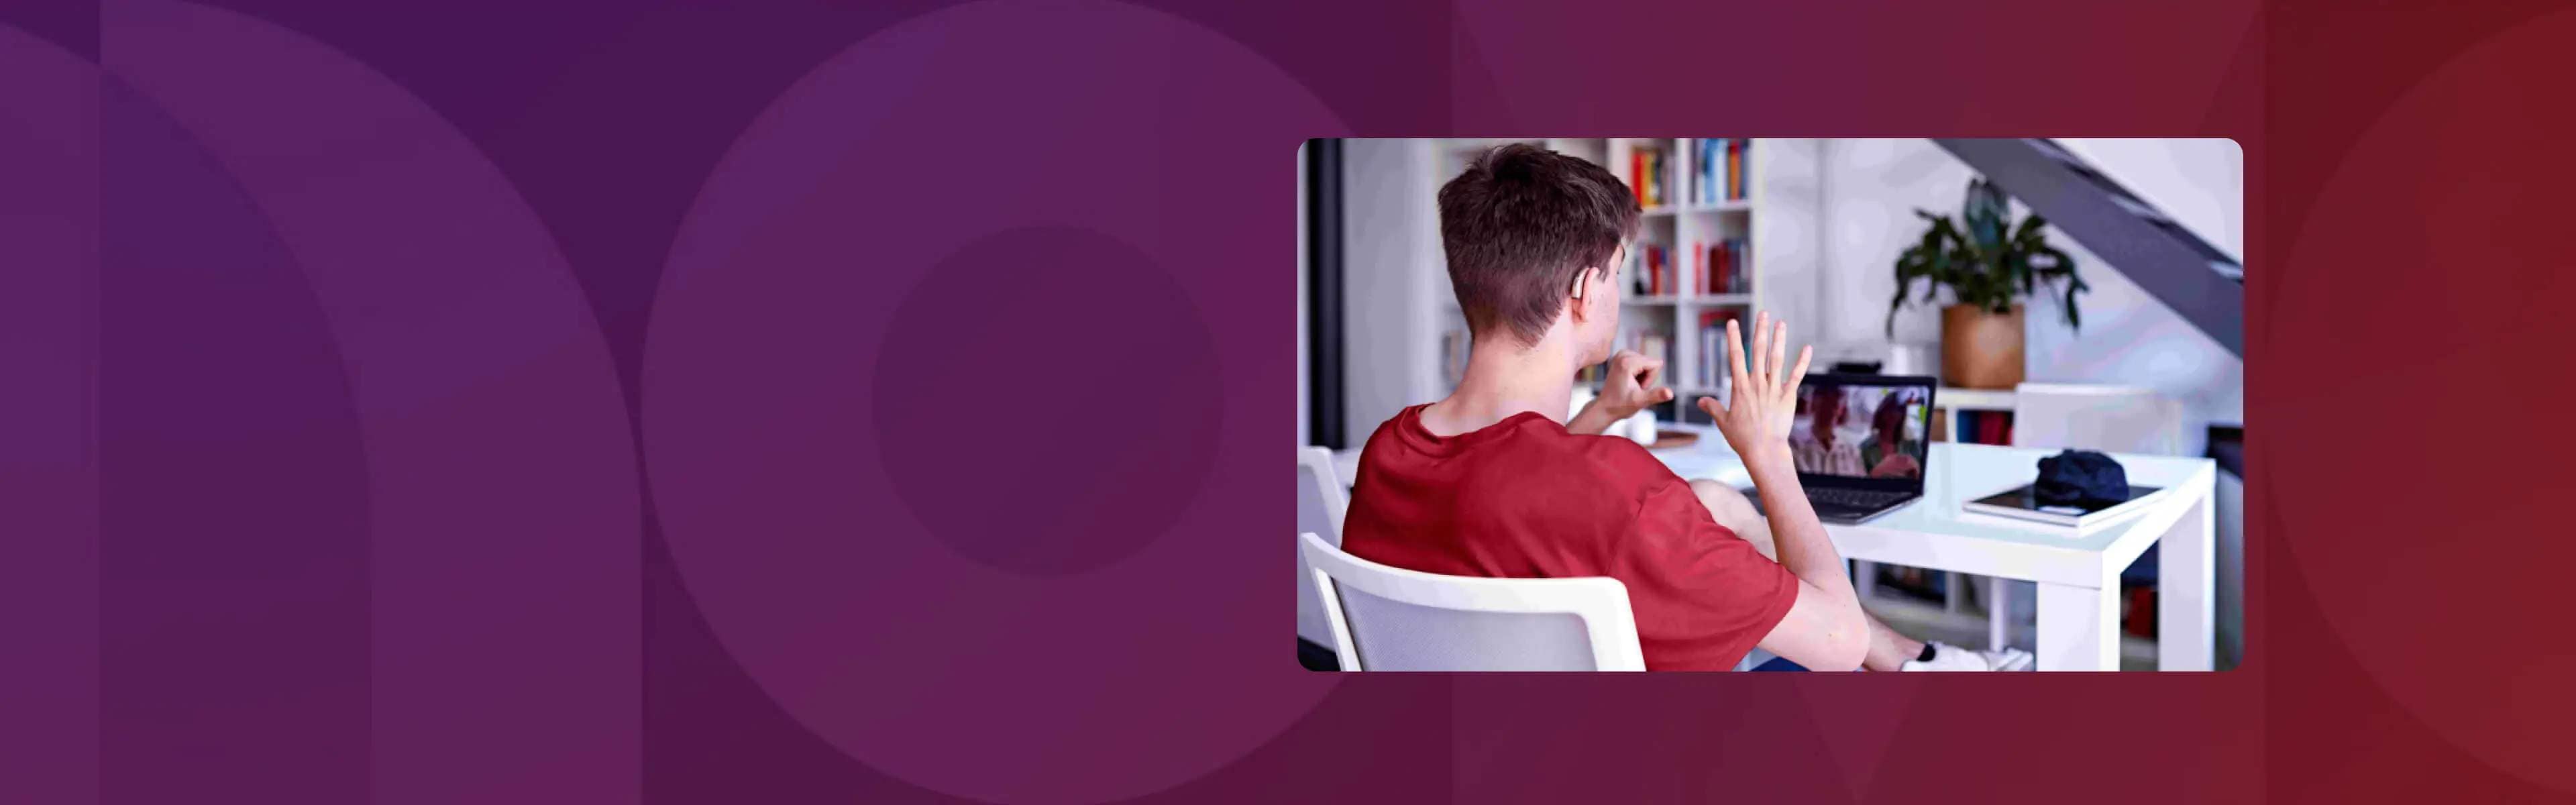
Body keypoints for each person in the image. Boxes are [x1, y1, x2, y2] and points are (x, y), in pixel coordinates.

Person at [1340, 144, 2028, 672]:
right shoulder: (1619, 493)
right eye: (1618, 273)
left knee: (1707, 498)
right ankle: (1925, 668)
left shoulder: (1389, 450)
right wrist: (1768, 454)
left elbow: (1500, 498)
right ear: (1585, 288)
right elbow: (1839, 644)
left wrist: (1601, 416)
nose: (1618, 291)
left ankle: (1918, 659)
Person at [1789, 384, 1864, 476]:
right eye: (1826, 397)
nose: (1832, 405)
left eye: (1837, 398)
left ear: (1842, 408)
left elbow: (1861, 486)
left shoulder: (1851, 451)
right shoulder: (1795, 445)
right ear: (1813, 402)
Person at [1860, 390, 1924, 479]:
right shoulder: (1865, 448)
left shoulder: (1912, 446)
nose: (1893, 415)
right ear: (1882, 413)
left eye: (1898, 411)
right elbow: (1862, 482)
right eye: (1890, 410)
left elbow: (1923, 478)